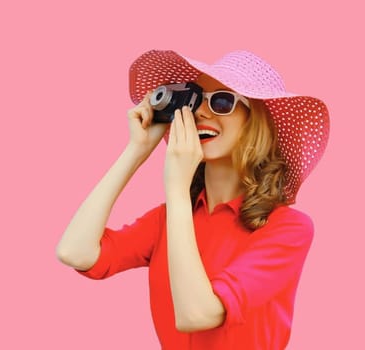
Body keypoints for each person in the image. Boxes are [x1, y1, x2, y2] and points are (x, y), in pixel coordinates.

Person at [55, 49, 331, 349]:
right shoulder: (169, 219)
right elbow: (74, 251)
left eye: (222, 101)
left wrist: (176, 190)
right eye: (196, 100)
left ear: (258, 122)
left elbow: (196, 313)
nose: (200, 112)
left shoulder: (288, 228)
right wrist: (136, 150)